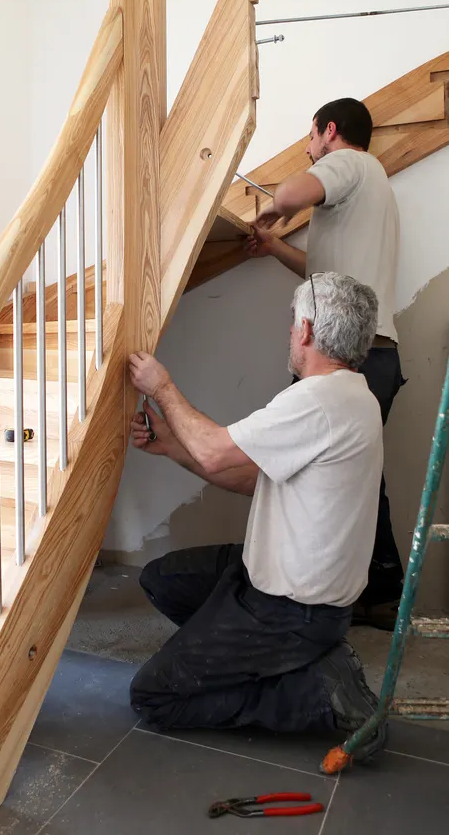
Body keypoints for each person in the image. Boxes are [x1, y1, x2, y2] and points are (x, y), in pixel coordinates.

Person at [127, 272, 386, 760]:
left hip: (291, 609)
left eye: (293, 325)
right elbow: (252, 479)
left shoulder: (318, 400)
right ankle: (276, 660)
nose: (290, 334)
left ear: (306, 330)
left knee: (153, 697)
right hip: (275, 581)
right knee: (163, 579)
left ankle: (314, 695)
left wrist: (161, 386)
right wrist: (170, 449)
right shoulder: (356, 396)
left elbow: (213, 450)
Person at [247, 98, 404, 630]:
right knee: (360, 477)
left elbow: (291, 192)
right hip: (374, 352)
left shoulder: (350, 163)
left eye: (311, 137)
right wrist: (273, 248)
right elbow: (320, 274)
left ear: (329, 131)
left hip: (348, 358)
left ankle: (312, 593)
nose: (309, 147)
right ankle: (380, 591)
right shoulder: (372, 185)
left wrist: (276, 206)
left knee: (305, 472)